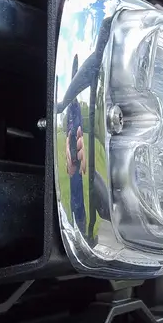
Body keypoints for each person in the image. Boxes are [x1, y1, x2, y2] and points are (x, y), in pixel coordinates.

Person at [65, 55, 87, 234]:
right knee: (75, 193)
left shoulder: (76, 107)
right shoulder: (71, 108)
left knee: (78, 192)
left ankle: (80, 225)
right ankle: (77, 224)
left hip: (78, 161)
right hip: (72, 160)